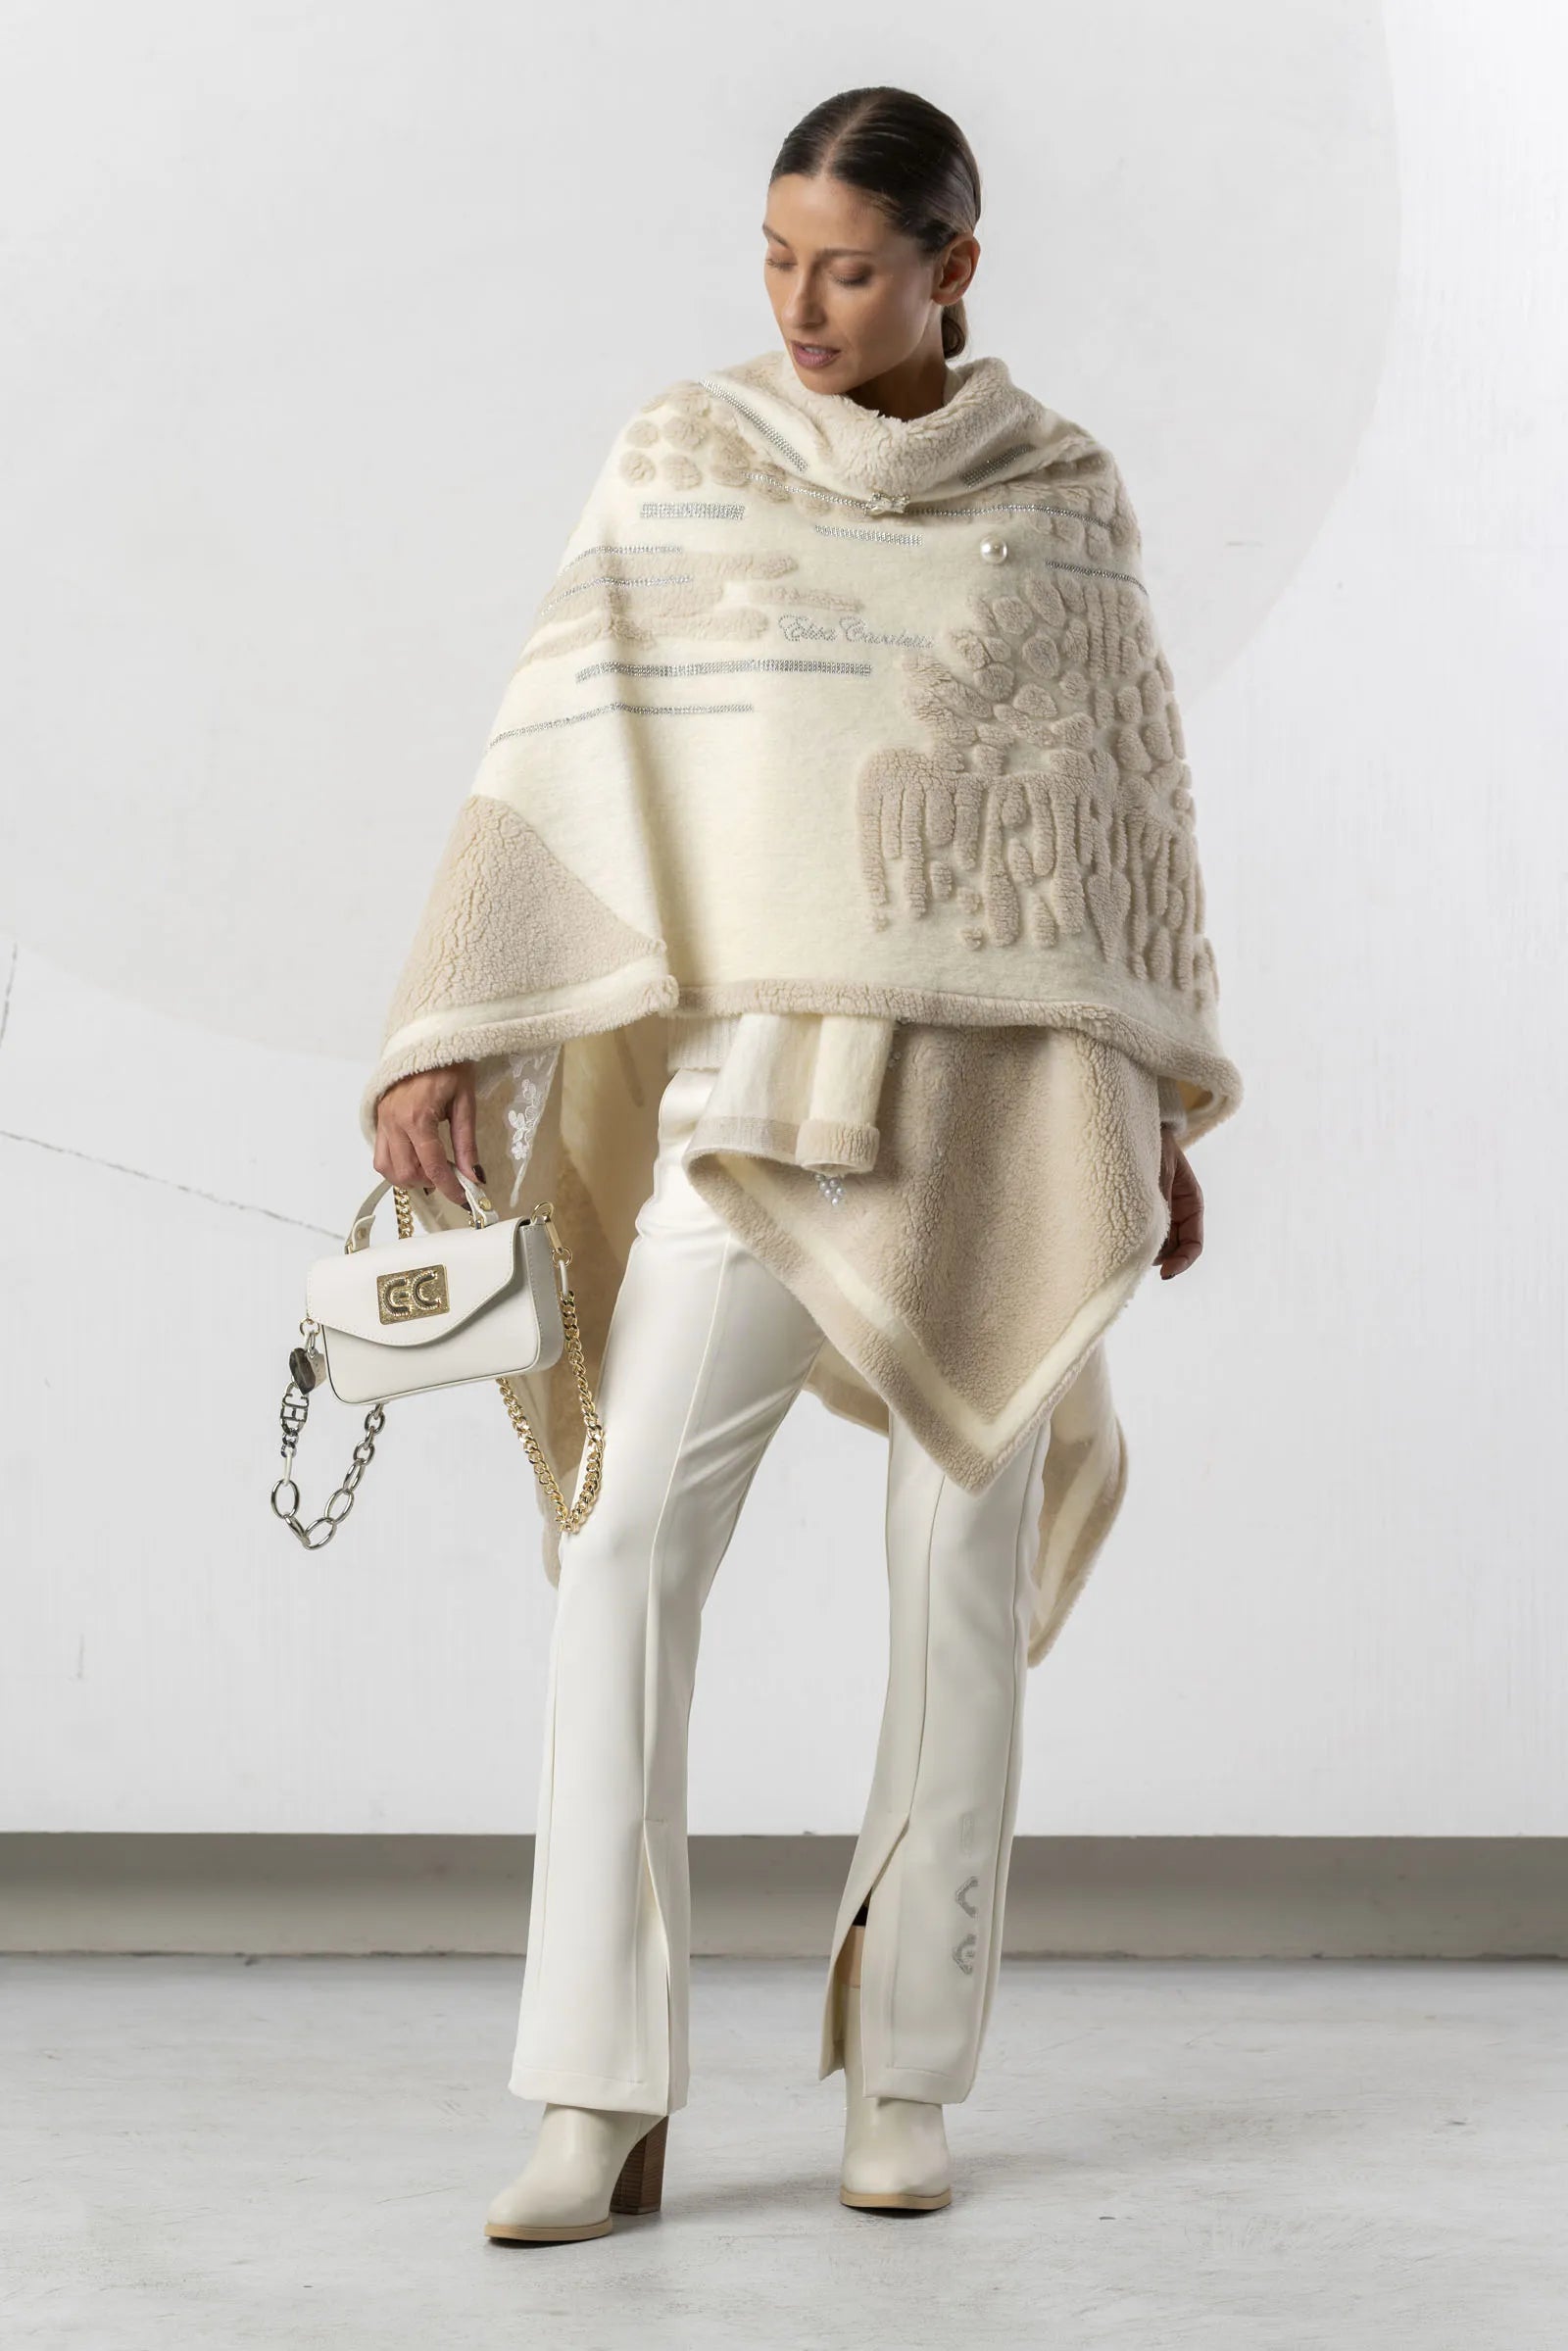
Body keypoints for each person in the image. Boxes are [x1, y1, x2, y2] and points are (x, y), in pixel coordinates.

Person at [365, 84, 1238, 2243]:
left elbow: (1117, 823)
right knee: (620, 1546)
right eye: (775, 259)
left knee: (954, 1591)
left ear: (954, 266)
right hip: (753, 1101)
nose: (801, 306)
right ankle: (597, 2093)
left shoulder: (1059, 495)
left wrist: (1147, 1105)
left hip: (1010, 1110)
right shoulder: (688, 458)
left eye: (848, 267)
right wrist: (453, 1022)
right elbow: (562, 746)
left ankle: (906, 2075)